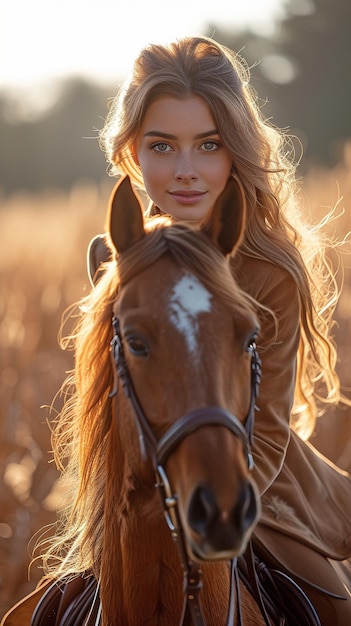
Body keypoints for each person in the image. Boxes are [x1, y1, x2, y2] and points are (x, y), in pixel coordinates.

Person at [3, 36, 351, 625]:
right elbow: (109, 406)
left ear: (232, 152)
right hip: (138, 494)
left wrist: (202, 497)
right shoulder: (117, 260)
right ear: (133, 154)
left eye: (208, 146)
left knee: (334, 606)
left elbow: (264, 435)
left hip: (253, 489)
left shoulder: (269, 273)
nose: (185, 171)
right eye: (162, 146)